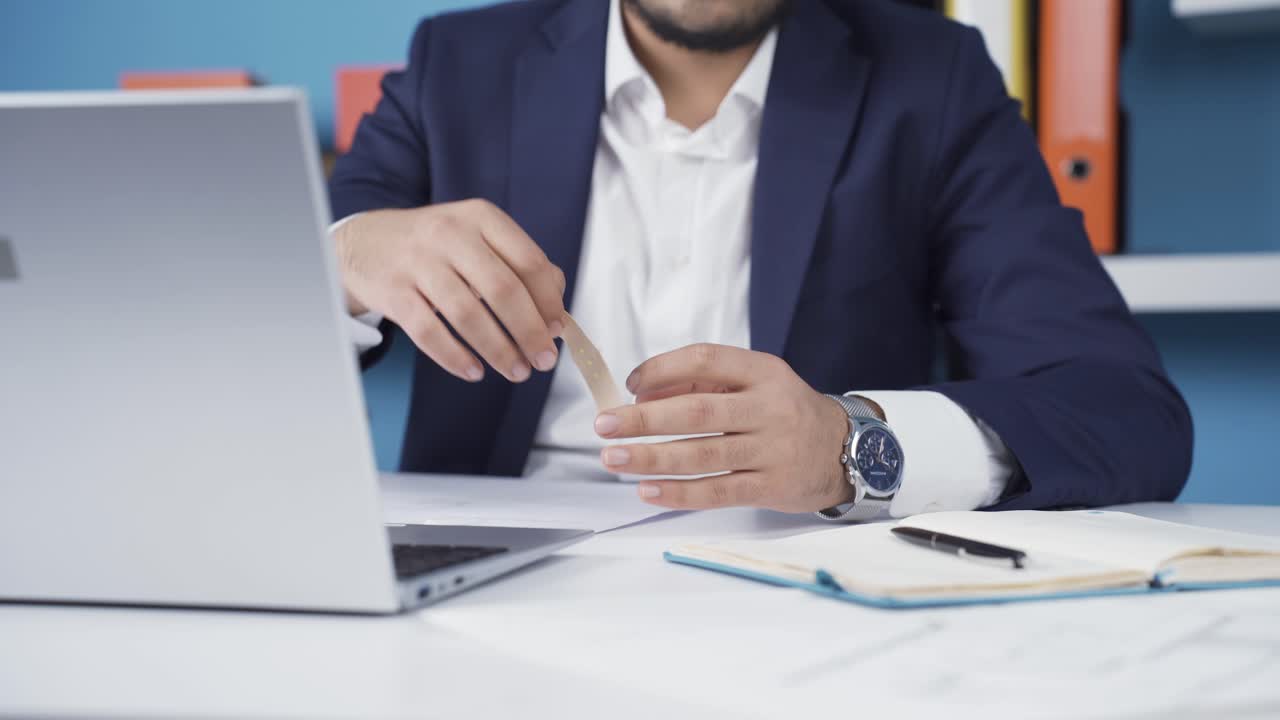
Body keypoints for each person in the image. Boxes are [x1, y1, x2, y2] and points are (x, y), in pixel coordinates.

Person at [329, 0, 1192, 520]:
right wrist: (344, 257)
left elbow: (1126, 413)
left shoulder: (934, 80)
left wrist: (851, 445)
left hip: (799, 589)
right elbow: (264, 317)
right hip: (481, 590)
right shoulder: (455, 64)